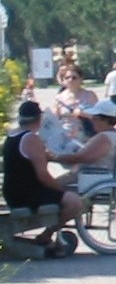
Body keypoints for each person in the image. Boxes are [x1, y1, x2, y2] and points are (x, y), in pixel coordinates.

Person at [2, 100, 83, 254]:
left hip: (13, 190)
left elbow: (28, 159)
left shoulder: (13, 135)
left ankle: (49, 236)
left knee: (64, 190)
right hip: (26, 192)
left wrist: (55, 157)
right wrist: (60, 189)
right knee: (74, 202)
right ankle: (45, 236)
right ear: (39, 119)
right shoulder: (31, 139)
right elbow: (43, 176)